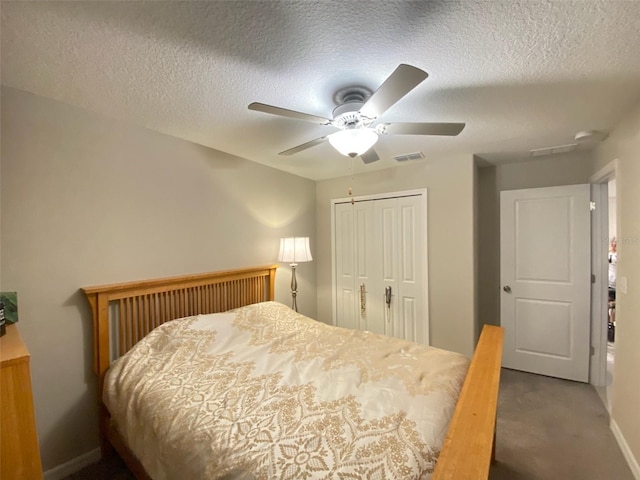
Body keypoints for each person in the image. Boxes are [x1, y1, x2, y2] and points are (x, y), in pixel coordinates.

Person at [608, 237, 617, 341]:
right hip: (609, 282)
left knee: (614, 306)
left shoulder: (621, 254)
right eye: (613, 242)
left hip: (617, 283)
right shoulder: (608, 253)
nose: (614, 244)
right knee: (607, 305)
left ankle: (612, 326)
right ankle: (608, 327)